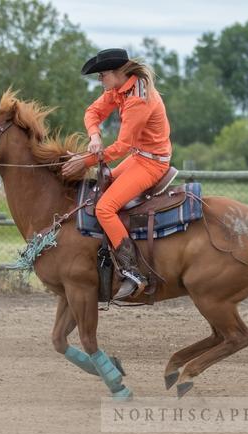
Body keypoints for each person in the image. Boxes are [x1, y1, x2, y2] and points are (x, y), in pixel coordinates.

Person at [62, 48, 172, 300]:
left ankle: (133, 272)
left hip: (151, 163)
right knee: (102, 189)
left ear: (117, 73)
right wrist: (94, 136)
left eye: (102, 76)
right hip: (139, 157)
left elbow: (121, 146)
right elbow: (92, 112)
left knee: (104, 208)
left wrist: (84, 161)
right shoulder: (118, 91)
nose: (100, 81)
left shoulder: (138, 100)